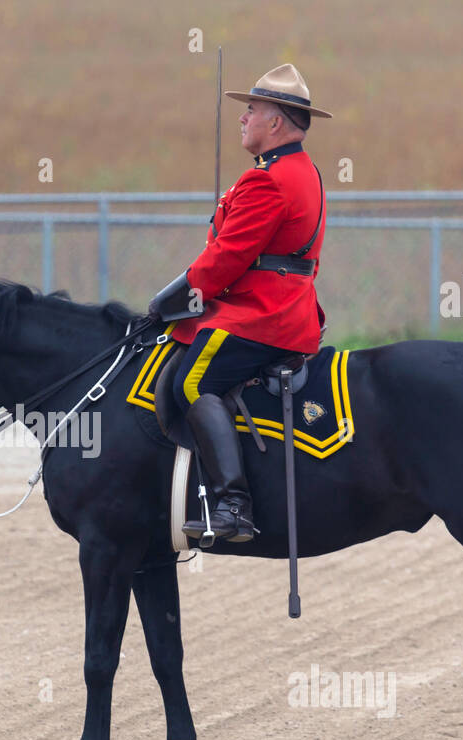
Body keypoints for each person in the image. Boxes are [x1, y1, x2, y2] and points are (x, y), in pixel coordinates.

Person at [148, 63, 331, 543]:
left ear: (276, 122)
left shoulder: (268, 180)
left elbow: (227, 258)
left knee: (191, 383)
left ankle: (232, 504)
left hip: (262, 318)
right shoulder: (302, 171)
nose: (243, 118)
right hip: (287, 311)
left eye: (252, 110)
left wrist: (172, 297)